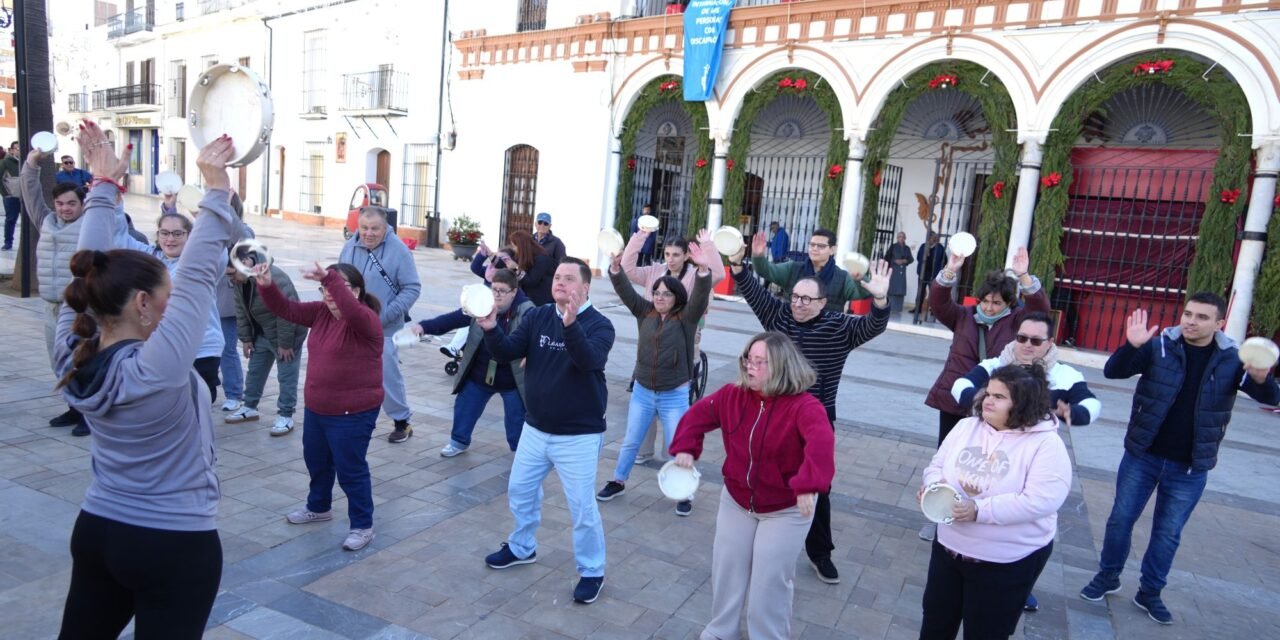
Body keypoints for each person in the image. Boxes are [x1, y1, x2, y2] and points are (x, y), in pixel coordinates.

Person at [53, 124, 240, 639]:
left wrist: (104, 187)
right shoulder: (158, 367)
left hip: (98, 529)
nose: (171, 302)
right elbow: (200, 273)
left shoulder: (71, 350)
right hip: (173, 543)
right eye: (164, 295)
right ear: (141, 304)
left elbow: (84, 272)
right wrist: (217, 189)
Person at [1079, 296, 1279, 625]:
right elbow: (1114, 372)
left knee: (1168, 533)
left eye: (1202, 317)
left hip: (1190, 466)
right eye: (1187, 313)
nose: (1191, 321)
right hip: (1143, 455)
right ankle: (1108, 575)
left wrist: (1260, 376)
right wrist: (1131, 346)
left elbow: (1270, 397)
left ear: (1218, 324)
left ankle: (1150, 592)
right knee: (1120, 520)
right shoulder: (1159, 346)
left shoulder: (1232, 358)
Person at [728, 230, 891, 584]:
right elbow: (755, 292)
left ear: (822, 302)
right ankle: (763, 536)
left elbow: (874, 325)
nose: (799, 304)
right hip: (774, 417)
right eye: (795, 297)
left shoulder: (839, 328)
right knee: (769, 474)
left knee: (819, 487)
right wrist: (740, 263)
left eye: (807, 299)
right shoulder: (779, 318)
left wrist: (880, 302)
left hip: (817, 421)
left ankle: (820, 553)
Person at [669, 332, 835, 640]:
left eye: (761, 361)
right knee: (727, 568)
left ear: (782, 366)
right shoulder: (733, 395)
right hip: (736, 500)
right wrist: (685, 446)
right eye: (749, 359)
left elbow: (821, 442)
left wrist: (808, 483)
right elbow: (697, 415)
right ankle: (721, 630)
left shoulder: (804, 406)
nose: (751, 367)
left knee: (768, 580)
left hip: (786, 509)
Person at [478, 257, 615, 606]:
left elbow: (590, 361)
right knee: (520, 490)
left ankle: (592, 570)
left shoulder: (601, 325)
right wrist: (493, 328)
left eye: (569, 279)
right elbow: (509, 352)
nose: (560, 283)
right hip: (536, 429)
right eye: (557, 277)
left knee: (582, 507)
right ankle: (523, 546)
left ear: (585, 287)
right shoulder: (538, 316)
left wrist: (571, 326)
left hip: (579, 436)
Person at [951, 310, 1100, 612]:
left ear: (1049, 343)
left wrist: (1075, 414)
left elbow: (1090, 403)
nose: (1027, 345)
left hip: (1033, 458)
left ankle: (1020, 585)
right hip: (988, 449)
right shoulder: (995, 365)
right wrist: (983, 405)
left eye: (1035, 340)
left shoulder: (1064, 374)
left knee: (1024, 515)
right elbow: (960, 387)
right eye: (1021, 338)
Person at [918, 364, 1072, 640]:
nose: (987, 400)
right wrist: (933, 487)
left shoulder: (1046, 445)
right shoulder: (967, 426)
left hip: (1004, 563)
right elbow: (937, 465)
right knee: (935, 624)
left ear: (1023, 404)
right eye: (988, 393)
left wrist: (979, 511)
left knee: (986, 633)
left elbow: (1041, 500)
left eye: (999, 397)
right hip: (948, 550)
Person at [256, 261, 385, 552]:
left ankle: (363, 526)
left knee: (351, 470)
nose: (330, 293)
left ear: (358, 291)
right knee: (317, 461)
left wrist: (328, 278)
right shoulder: (320, 313)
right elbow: (285, 309)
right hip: (318, 408)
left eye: (339, 287)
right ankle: (319, 506)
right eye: (325, 287)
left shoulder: (366, 320)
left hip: (353, 412)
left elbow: (349, 309)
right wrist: (266, 285)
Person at [921, 247, 1049, 541]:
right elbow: (939, 302)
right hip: (956, 399)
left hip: (995, 402)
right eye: (985, 301)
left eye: (996, 303)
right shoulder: (963, 316)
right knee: (950, 457)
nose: (989, 308)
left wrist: (1024, 276)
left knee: (984, 463)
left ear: (1009, 303)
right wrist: (951, 269)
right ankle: (941, 514)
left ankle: (980, 511)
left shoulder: (1017, 321)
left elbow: (1040, 309)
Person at [597, 236, 714, 515]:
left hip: (674, 394)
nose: (660, 297)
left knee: (678, 446)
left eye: (666, 294)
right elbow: (626, 291)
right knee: (631, 441)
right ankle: (618, 480)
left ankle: (685, 492)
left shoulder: (686, 318)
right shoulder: (644, 311)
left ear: (677, 298)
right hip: (643, 392)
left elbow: (699, 296)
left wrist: (703, 271)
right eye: (657, 293)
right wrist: (615, 270)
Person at [621, 229, 727, 463]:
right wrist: (640, 237)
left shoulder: (694, 274)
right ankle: (643, 450)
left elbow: (717, 273)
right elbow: (627, 270)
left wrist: (708, 246)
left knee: (675, 398)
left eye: (676, 254)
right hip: (653, 338)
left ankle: (672, 453)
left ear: (686, 255)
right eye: (667, 253)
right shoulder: (654, 272)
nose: (671, 258)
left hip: (686, 338)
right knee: (646, 392)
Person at [410, 269, 534, 455]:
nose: (497, 295)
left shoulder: (527, 310)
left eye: (502, 291)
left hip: (512, 378)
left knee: (516, 419)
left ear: (514, 292)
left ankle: (520, 452)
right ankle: (458, 441)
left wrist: (531, 354)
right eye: (494, 289)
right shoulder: (480, 302)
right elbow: (454, 318)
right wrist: (424, 327)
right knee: (465, 406)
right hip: (480, 372)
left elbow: (537, 335)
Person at [20, 146, 90, 433]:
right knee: (59, 360)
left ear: (82, 204)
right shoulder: (46, 221)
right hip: (50, 307)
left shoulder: (90, 227)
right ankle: (74, 408)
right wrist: (32, 163)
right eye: (60, 203)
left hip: (80, 310)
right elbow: (30, 192)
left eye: (71, 203)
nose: (65, 208)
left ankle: (90, 414)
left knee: (84, 360)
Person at [339, 205, 421, 443]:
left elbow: (412, 288)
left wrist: (385, 314)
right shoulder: (349, 247)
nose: (368, 233)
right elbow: (338, 280)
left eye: (375, 228)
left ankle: (401, 421)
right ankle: (351, 416)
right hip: (351, 325)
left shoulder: (399, 251)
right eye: (364, 228)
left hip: (383, 326)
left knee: (387, 375)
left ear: (385, 228)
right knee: (348, 372)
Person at [226, 251, 306, 436]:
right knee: (255, 371)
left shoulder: (274, 276)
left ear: (245, 262)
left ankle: (286, 415)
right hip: (262, 334)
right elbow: (240, 308)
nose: (231, 280)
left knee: (287, 377)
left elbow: (287, 311)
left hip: (288, 335)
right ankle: (250, 407)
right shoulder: (239, 280)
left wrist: (285, 344)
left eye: (232, 274)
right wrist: (246, 338)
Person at [752, 228, 872, 313]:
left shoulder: (842, 277)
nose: (814, 249)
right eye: (812, 245)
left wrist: (859, 278)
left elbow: (863, 293)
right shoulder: (793, 268)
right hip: (792, 331)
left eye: (821, 246)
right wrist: (758, 256)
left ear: (832, 250)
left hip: (826, 335)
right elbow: (766, 271)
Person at [506, 230, 556, 306]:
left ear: (521, 246)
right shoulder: (525, 257)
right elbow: (503, 265)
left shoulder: (541, 259)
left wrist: (516, 268)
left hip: (541, 304)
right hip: (530, 301)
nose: (514, 249)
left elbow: (531, 281)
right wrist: (489, 254)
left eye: (514, 246)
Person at [914, 233, 947, 321]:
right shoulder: (923, 246)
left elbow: (944, 260)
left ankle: (933, 310)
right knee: (920, 291)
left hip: (934, 274)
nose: (932, 239)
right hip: (923, 273)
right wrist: (926, 252)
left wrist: (939, 269)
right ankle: (917, 309)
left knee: (934, 293)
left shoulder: (940, 248)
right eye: (931, 238)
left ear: (936, 239)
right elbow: (918, 257)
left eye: (934, 238)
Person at [883, 231, 914, 317]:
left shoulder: (907, 248)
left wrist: (905, 261)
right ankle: (889, 307)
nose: (901, 238)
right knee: (892, 288)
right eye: (900, 236)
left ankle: (898, 308)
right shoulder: (893, 247)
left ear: (905, 238)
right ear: (897, 238)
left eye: (903, 237)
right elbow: (887, 257)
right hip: (894, 270)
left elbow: (911, 259)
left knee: (900, 289)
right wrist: (895, 261)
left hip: (902, 271)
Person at [1, 142, 20, 251]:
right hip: (11, 196)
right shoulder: (5, 162)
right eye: (17, 148)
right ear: (12, 150)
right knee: (11, 219)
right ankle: (8, 242)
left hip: (26, 196)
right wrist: (5, 194)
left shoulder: (27, 161)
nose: (19, 150)